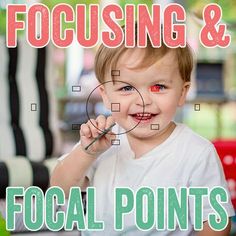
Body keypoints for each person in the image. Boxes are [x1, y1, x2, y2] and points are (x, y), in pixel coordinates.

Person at [50, 28, 235, 235]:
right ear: (106, 95)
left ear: (182, 93)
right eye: (126, 88)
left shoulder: (197, 152)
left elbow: (215, 222)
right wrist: (86, 153)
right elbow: (59, 190)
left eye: (158, 87)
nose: (143, 101)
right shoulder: (99, 142)